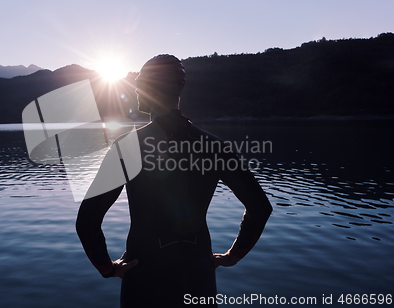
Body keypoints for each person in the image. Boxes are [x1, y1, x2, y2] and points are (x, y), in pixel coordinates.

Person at [76, 54, 272, 307]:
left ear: (148, 88)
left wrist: (107, 267)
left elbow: (87, 220)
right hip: (197, 273)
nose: (135, 93)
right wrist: (233, 256)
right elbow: (260, 208)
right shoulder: (214, 146)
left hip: (144, 275)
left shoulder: (128, 147)